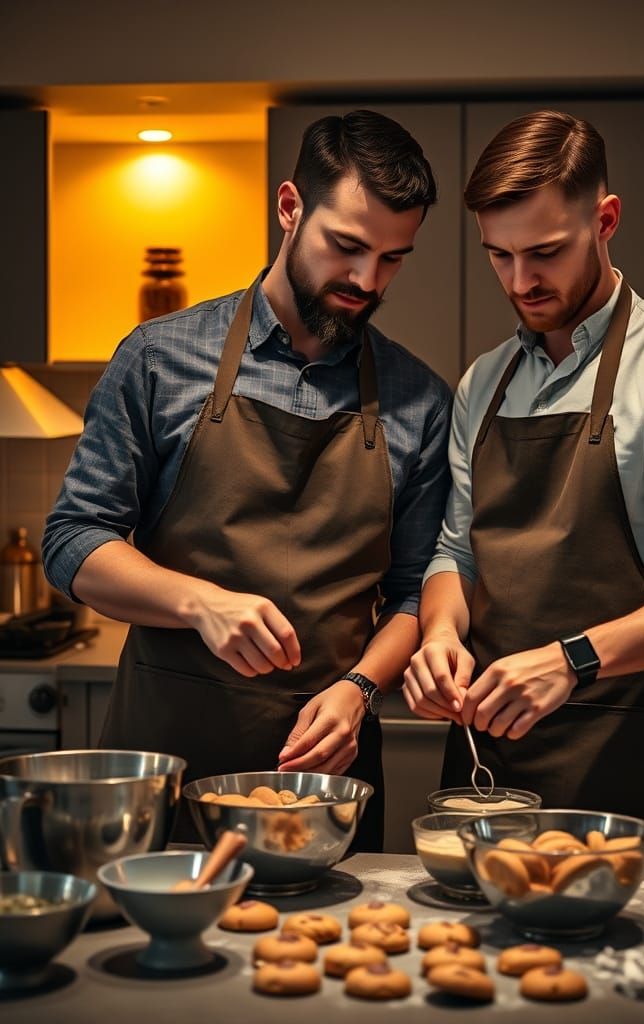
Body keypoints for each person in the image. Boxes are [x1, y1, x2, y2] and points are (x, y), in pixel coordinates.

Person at [42, 109, 452, 850]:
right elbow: (73, 543)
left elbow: (418, 589)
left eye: (392, 259)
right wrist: (199, 602)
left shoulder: (419, 398)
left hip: (328, 780)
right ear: (290, 207)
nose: (366, 280)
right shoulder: (159, 359)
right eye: (348, 247)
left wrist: (360, 689)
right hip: (166, 765)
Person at [403, 109, 644, 862]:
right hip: (484, 770)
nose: (521, 281)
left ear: (605, 221)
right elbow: (455, 552)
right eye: (498, 256)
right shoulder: (486, 382)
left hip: (619, 766)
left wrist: (570, 660)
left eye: (544, 253)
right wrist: (440, 633)